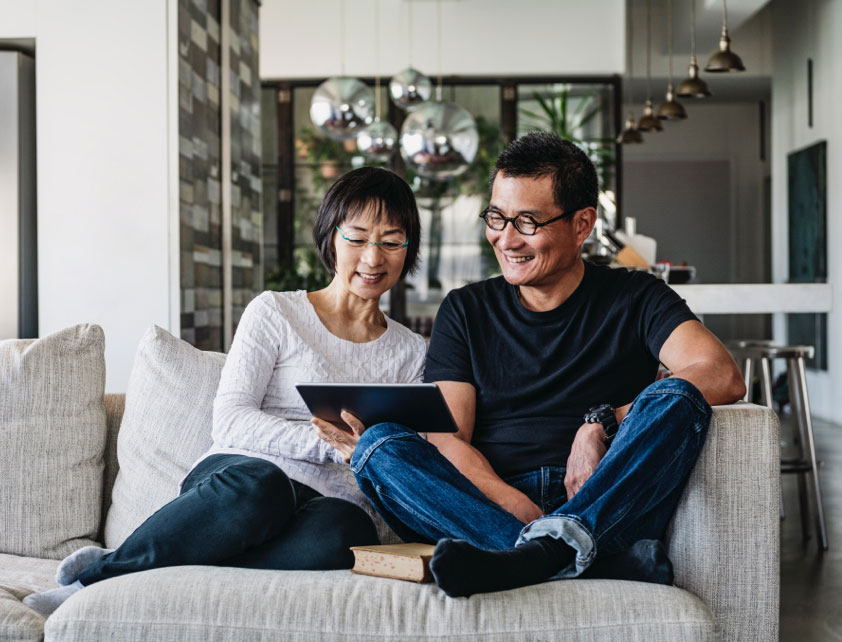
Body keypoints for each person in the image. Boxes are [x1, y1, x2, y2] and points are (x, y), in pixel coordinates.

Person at [314, 132, 746, 598]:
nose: (506, 238)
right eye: (497, 217)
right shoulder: (466, 309)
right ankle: (576, 556)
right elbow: (448, 437)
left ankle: (527, 559)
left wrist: (601, 423)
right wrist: (511, 502)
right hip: (489, 503)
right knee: (378, 446)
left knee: (678, 396)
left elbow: (721, 374)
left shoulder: (636, 296)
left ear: (582, 224)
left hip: (606, 490)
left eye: (527, 222)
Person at [24, 167, 427, 616]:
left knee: (345, 531)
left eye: (391, 241)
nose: (373, 257)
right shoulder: (275, 312)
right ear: (331, 237)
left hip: (323, 507)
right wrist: (330, 445)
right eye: (357, 237)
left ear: (407, 250)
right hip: (238, 483)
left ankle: (153, 564)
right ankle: (97, 580)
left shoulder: (411, 352)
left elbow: (402, 446)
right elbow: (231, 418)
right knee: (266, 486)